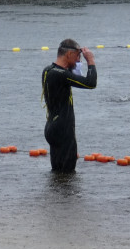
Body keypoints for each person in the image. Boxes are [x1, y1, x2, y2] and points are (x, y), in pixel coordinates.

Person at [41, 39, 97, 173]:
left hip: (52, 126)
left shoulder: (48, 70)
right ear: (69, 55)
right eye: (78, 56)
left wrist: (76, 66)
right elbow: (90, 83)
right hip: (63, 129)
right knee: (68, 172)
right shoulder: (61, 75)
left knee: (57, 173)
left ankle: (56, 194)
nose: (79, 60)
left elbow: (72, 76)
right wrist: (91, 61)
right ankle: (66, 194)